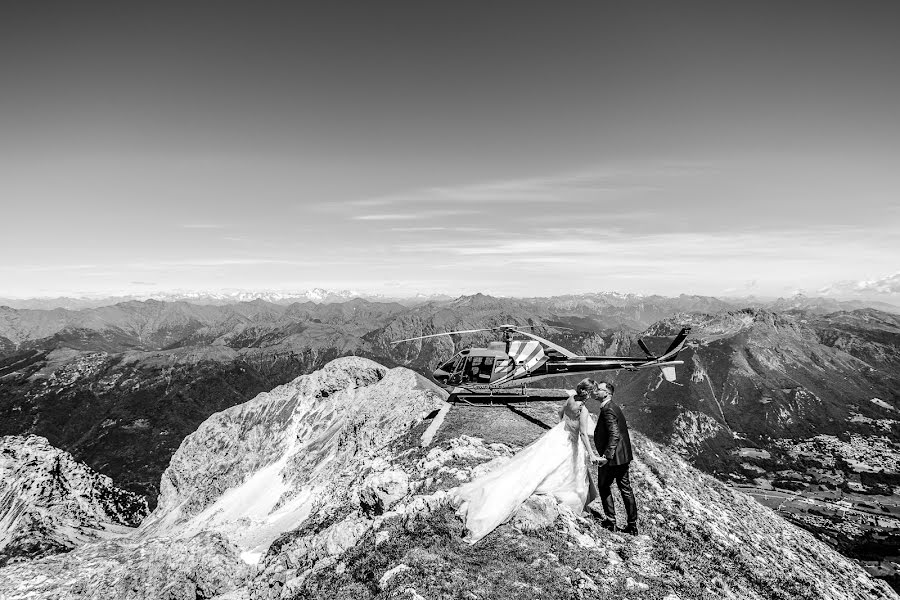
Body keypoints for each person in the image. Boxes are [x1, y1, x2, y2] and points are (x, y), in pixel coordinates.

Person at [450, 390, 601, 543]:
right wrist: (592, 453)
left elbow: (560, 412)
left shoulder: (570, 399)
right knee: (567, 471)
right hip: (570, 441)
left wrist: (564, 426)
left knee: (539, 464)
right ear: (588, 394)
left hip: (559, 434)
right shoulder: (584, 410)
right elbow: (583, 433)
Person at [585, 378, 638, 535]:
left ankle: (611, 522)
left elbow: (614, 434)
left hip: (612, 458)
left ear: (606, 393)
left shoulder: (608, 409)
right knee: (625, 489)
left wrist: (606, 457)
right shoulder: (612, 406)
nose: (596, 391)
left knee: (604, 486)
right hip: (622, 456)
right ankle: (632, 525)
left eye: (599, 390)